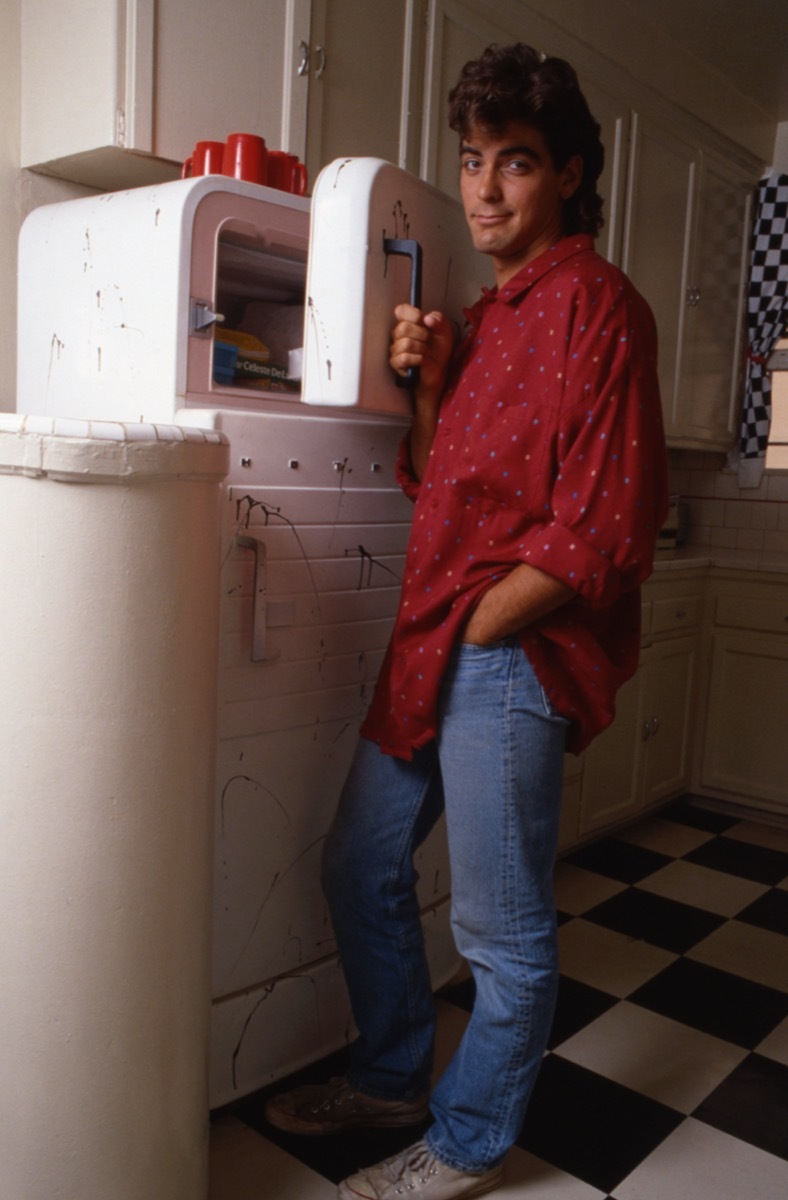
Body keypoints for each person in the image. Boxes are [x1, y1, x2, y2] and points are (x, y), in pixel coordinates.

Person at [265, 42, 669, 1200]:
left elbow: (602, 529)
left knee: (501, 934)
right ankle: (392, 1074)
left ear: (569, 175)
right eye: (473, 161)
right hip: (432, 640)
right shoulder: (487, 316)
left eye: (518, 163)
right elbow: (446, 488)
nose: (486, 190)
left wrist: (487, 626)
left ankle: (466, 1139)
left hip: (505, 653)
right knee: (358, 865)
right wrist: (433, 384)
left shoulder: (600, 307)